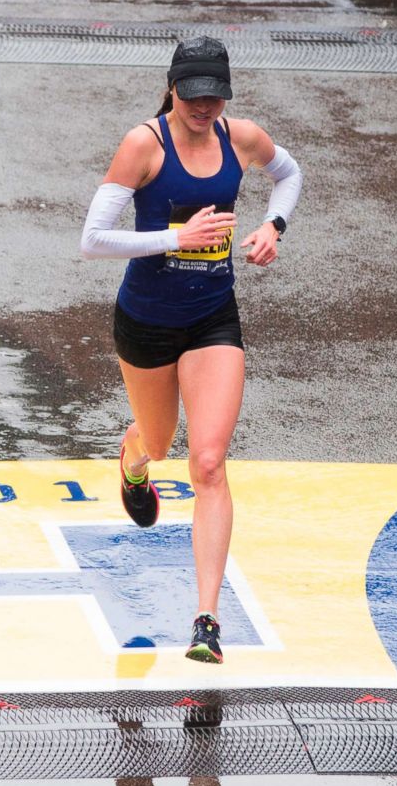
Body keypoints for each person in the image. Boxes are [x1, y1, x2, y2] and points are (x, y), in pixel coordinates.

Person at [81, 36, 302, 664]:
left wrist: (272, 225)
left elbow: (289, 175)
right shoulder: (143, 145)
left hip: (212, 317)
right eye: (194, 94)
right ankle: (133, 454)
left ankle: (206, 620)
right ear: (173, 88)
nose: (206, 106)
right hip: (146, 322)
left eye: (216, 95)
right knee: (158, 442)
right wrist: (178, 234)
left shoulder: (241, 138)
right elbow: (93, 240)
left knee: (207, 462)